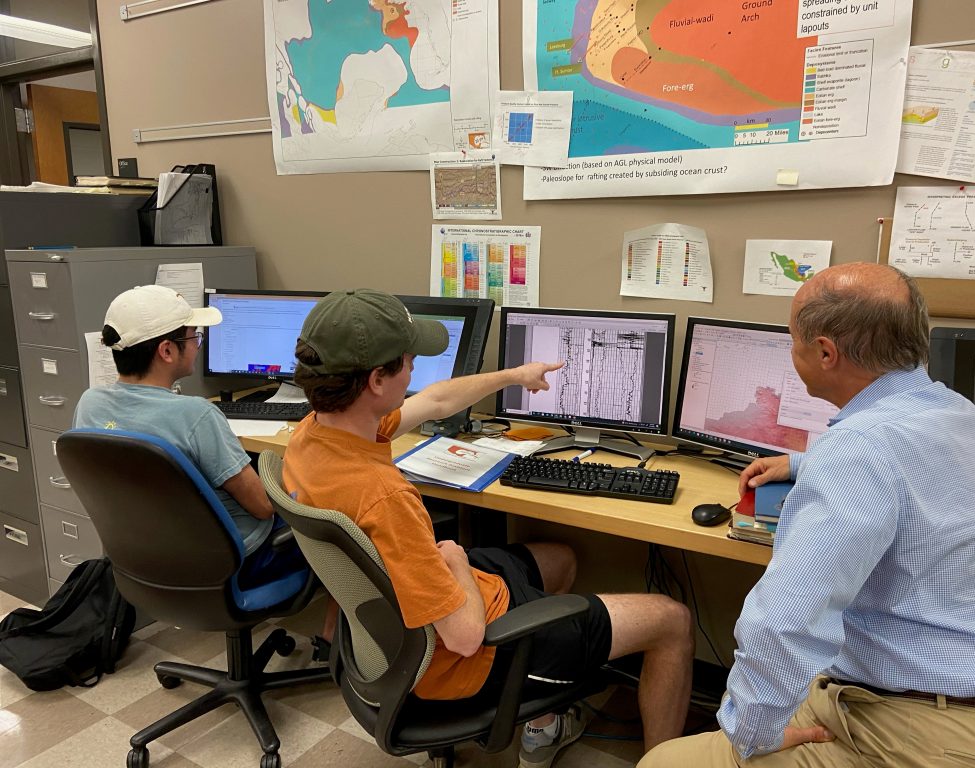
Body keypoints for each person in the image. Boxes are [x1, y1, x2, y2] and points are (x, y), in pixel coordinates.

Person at [283, 289, 694, 768]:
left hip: (400, 629)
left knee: (560, 557)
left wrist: (517, 376)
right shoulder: (384, 496)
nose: (416, 369)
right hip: (463, 658)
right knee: (672, 619)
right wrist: (455, 559)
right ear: (377, 379)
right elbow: (463, 635)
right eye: (409, 360)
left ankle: (542, 729)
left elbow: (436, 400)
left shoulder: (314, 435)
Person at [640, 262, 975, 768]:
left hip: (921, 730)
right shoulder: (952, 410)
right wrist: (801, 462)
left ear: (825, 353)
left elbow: (782, 626)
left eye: (792, 339)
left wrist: (751, 736)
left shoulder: (859, 450)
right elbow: (902, 468)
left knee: (660, 764)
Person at [73, 284, 300, 586]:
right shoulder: (196, 416)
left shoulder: (90, 404)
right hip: (235, 564)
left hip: (148, 561)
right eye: (196, 337)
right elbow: (263, 506)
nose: (199, 345)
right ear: (166, 350)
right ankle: (331, 633)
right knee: (337, 519)